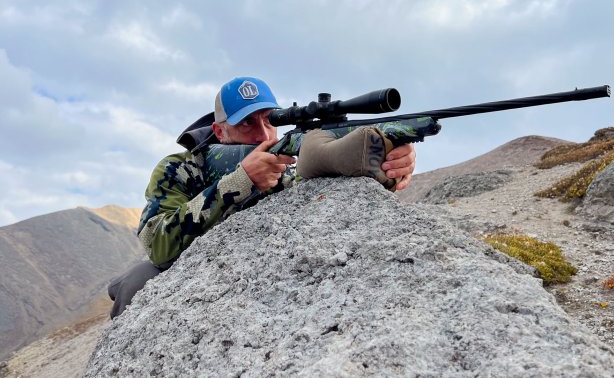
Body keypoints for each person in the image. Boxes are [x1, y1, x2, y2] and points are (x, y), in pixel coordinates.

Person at [108, 77, 416, 318]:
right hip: (181, 270)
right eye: (246, 123)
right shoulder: (178, 168)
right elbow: (156, 242)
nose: (263, 135)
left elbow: (330, 194)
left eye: (270, 120)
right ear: (219, 131)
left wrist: (387, 165)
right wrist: (239, 181)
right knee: (138, 280)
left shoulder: (283, 165)